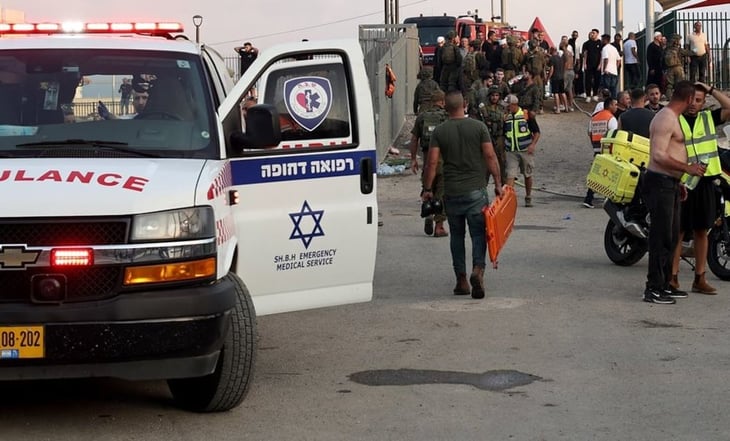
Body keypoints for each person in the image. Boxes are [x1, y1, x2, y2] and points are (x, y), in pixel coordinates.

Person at [422, 91, 503, 299]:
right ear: (464, 105)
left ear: (445, 108)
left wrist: (428, 189)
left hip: (452, 193)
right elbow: (490, 156)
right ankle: (478, 269)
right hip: (476, 192)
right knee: (478, 234)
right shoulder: (479, 127)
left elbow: (432, 163)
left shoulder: (440, 131)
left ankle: (461, 280)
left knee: (457, 236)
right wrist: (498, 183)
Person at [642, 80, 706, 305]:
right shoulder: (666, 118)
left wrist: (679, 181)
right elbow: (658, 155)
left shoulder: (672, 118)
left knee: (671, 235)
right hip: (658, 182)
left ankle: (666, 284)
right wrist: (687, 168)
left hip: (669, 182)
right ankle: (653, 288)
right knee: (660, 237)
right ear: (688, 99)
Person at [670, 82, 730, 295]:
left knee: (702, 231)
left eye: (698, 100)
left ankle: (699, 278)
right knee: (679, 231)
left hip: (706, 181)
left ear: (704, 103)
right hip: (684, 182)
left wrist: (712, 89)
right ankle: (673, 278)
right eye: (691, 99)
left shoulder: (708, 118)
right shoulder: (675, 120)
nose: (693, 104)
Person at [409, 89, 449, 237]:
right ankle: (439, 227)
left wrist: (413, 159)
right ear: (443, 102)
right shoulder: (446, 117)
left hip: (427, 162)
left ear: (432, 102)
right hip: (444, 162)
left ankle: (428, 215)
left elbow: (414, 139)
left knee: (427, 189)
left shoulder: (422, 117)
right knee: (442, 194)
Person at [504, 94, 541, 207]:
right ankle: (508, 200)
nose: (506, 108)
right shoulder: (506, 117)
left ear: (514, 105)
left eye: (508, 106)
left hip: (525, 150)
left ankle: (528, 196)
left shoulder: (526, 115)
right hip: (511, 151)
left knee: (527, 174)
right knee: (510, 175)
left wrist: (533, 145)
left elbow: (537, 132)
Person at [584, 97, 618, 208]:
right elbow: (614, 135)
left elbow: (589, 133)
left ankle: (589, 198)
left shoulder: (594, 118)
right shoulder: (611, 119)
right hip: (608, 151)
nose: (616, 107)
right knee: (609, 175)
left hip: (596, 149)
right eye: (615, 104)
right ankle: (607, 199)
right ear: (610, 105)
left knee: (596, 174)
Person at [479, 86, 507, 186]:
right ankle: (482, 186)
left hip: (500, 138)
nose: (494, 97)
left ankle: (503, 187)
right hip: (487, 138)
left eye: (496, 95)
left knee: (502, 163)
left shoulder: (503, 107)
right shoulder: (483, 107)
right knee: (486, 164)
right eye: (493, 95)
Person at [664, 34, 689, 99]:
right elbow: (688, 53)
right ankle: (679, 97)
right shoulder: (679, 49)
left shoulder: (667, 49)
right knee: (680, 84)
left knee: (669, 85)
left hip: (669, 68)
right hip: (678, 67)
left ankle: (669, 97)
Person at [581, 29, 603, 102]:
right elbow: (585, 54)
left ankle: (595, 94)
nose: (592, 34)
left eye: (594, 33)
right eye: (591, 33)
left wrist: (600, 64)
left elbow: (602, 54)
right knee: (588, 80)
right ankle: (588, 95)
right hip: (589, 64)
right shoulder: (586, 43)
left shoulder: (600, 43)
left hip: (597, 65)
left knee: (597, 80)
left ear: (597, 34)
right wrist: (584, 64)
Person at [600, 34, 621, 99]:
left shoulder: (605, 48)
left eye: (602, 39)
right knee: (613, 89)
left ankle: (607, 102)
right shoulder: (614, 48)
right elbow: (619, 59)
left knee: (606, 89)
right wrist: (616, 68)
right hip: (614, 71)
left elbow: (606, 59)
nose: (601, 41)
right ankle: (614, 102)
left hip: (607, 71)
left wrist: (604, 69)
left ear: (605, 40)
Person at [547, 46, 566, 114]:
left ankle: (558, 109)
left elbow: (551, 69)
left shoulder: (552, 59)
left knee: (556, 93)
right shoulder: (560, 58)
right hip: (561, 77)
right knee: (562, 92)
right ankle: (566, 107)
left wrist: (548, 78)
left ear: (551, 51)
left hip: (555, 77)